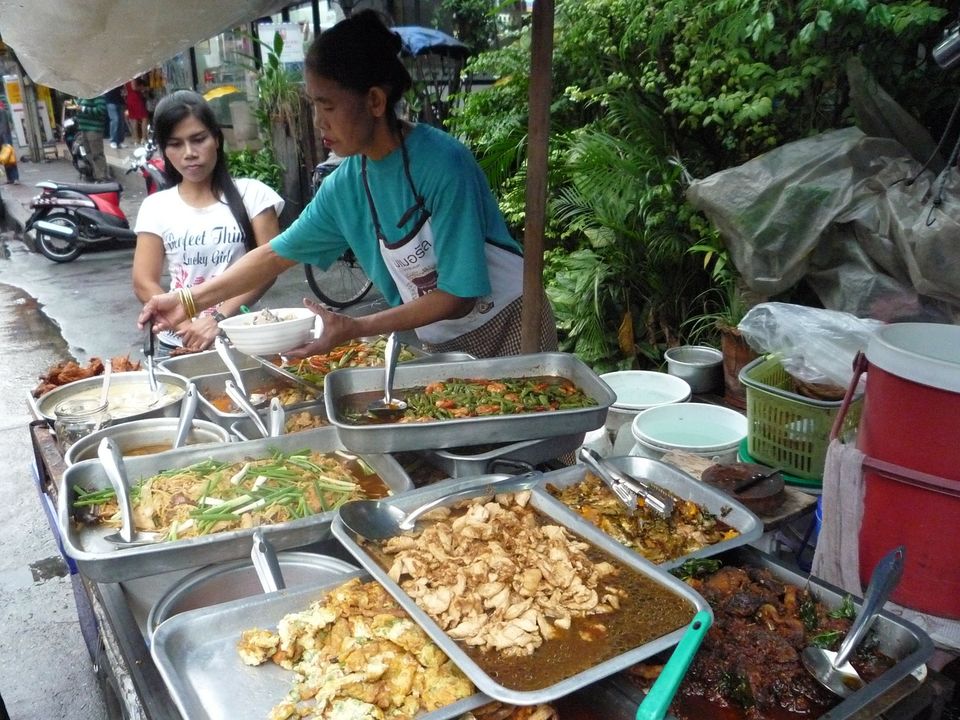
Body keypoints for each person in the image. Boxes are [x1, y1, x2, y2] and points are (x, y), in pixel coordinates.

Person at [138, 10, 556, 359]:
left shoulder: (443, 164)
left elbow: (459, 295)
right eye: (313, 105)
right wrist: (187, 300)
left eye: (328, 105)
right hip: (442, 340)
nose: (319, 122)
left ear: (374, 101)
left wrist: (356, 326)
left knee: (530, 450)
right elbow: (272, 256)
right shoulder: (346, 186)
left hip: (511, 323)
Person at [132, 90, 283, 357]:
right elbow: (144, 280)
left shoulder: (254, 195)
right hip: (177, 345)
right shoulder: (156, 207)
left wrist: (218, 319)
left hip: (244, 336)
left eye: (198, 139)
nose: (189, 153)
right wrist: (186, 326)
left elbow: (269, 267)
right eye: (175, 144)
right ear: (165, 150)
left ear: (216, 139)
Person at [75, 95, 109, 180]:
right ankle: (96, 174)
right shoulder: (83, 95)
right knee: (88, 153)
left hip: (94, 128)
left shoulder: (97, 95)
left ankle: (102, 177)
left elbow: (101, 110)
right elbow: (79, 106)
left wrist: (83, 109)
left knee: (97, 153)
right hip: (84, 128)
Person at [125, 77, 149, 144]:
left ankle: (136, 138)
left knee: (134, 119)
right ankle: (144, 138)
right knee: (144, 118)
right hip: (136, 98)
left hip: (130, 98)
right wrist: (144, 88)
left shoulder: (126, 77)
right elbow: (134, 87)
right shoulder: (133, 76)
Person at [0, 97, 18, 184]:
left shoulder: (2, 112)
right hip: (2, 139)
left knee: (10, 159)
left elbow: (4, 127)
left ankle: (15, 178)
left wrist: (5, 140)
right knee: (4, 159)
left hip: (5, 138)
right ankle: (10, 178)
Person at [104, 85, 126, 149]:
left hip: (119, 101)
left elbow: (122, 89)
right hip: (110, 100)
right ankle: (113, 140)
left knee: (121, 122)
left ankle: (120, 141)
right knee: (115, 120)